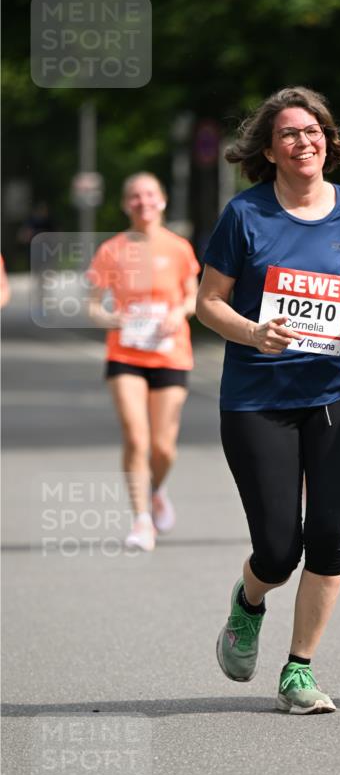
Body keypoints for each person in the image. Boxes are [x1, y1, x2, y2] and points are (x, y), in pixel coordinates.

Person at [196, 87, 340, 714]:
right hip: (258, 398)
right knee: (279, 549)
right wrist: (253, 332)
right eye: (289, 134)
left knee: (329, 536)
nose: (303, 143)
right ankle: (249, 603)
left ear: (328, 141)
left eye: (313, 132)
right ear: (270, 150)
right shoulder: (245, 215)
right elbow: (208, 302)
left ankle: (299, 669)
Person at [87, 173, 200, 551]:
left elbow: (193, 296)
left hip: (170, 352)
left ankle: (156, 489)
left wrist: (179, 313)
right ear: (125, 204)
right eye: (135, 196)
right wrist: (111, 318)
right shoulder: (113, 250)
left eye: (150, 194)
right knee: (136, 437)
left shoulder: (179, 248)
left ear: (163, 200)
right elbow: (91, 304)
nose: (143, 201)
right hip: (126, 352)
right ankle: (141, 521)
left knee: (163, 447)